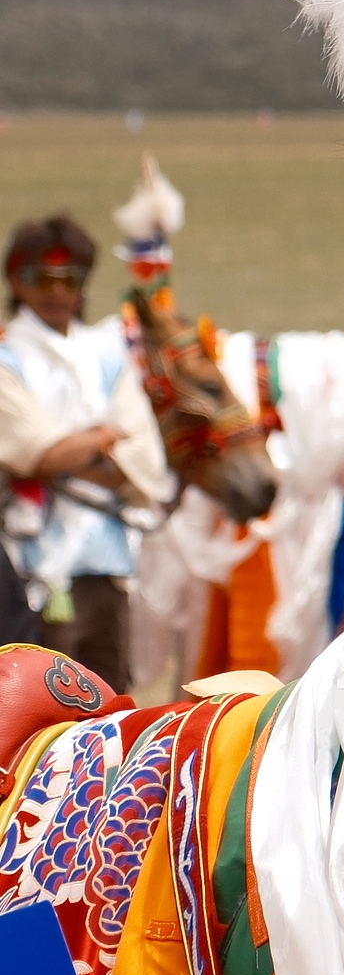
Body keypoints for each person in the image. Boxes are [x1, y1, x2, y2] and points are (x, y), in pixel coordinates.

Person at [0, 214, 169, 691]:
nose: (57, 291)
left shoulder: (107, 354)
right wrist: (100, 438)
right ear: (17, 280)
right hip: (29, 565)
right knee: (38, 703)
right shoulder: (5, 356)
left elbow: (144, 459)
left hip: (108, 561)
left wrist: (66, 451)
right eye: (41, 279)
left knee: (113, 701)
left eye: (70, 279)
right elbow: (34, 452)